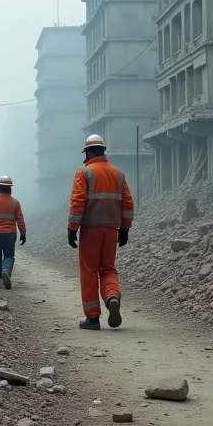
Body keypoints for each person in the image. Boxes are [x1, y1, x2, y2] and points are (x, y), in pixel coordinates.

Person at [67, 135, 132, 330]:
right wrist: (125, 228)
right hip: (111, 230)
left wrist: (72, 228)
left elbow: (78, 202)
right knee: (108, 269)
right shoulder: (118, 174)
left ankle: (93, 318)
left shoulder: (84, 173)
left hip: (90, 230)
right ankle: (112, 296)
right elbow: (128, 203)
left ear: (88, 152)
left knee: (89, 271)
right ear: (103, 151)